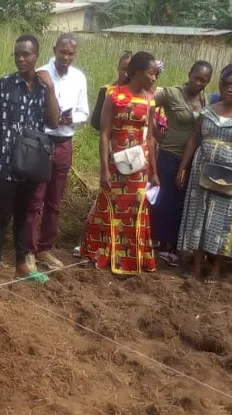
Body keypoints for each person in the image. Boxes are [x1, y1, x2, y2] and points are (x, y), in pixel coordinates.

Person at [0, 34, 60, 287]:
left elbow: (54, 122)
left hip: (32, 165)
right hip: (6, 164)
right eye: (17, 54)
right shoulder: (4, 84)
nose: (20, 59)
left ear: (37, 56)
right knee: (3, 215)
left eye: (26, 54)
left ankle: (21, 265)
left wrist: (51, 89)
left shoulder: (43, 86)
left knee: (25, 215)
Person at [175, 67, 232, 283]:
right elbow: (195, 139)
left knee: (224, 221)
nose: (229, 88)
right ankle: (195, 266)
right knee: (199, 217)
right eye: (225, 84)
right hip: (202, 172)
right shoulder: (209, 111)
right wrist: (182, 167)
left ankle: (215, 268)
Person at [80, 51, 159, 275]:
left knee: (135, 211)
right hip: (116, 162)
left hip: (139, 166)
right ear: (137, 72)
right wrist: (104, 169)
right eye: (151, 73)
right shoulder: (114, 96)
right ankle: (102, 253)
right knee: (109, 208)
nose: (154, 78)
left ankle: (132, 259)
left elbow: (151, 137)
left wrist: (153, 171)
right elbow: (105, 134)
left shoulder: (149, 99)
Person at [26, 33, 89, 271]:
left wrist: (72, 118)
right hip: (42, 141)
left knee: (55, 200)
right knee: (35, 198)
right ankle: (29, 251)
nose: (66, 57)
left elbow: (85, 112)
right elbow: (31, 110)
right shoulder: (41, 74)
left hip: (64, 142)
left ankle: (45, 249)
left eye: (70, 53)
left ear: (75, 54)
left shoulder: (79, 78)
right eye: (62, 52)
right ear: (54, 50)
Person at [150, 60, 214, 266]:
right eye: (196, 78)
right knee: (164, 200)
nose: (199, 83)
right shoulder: (171, 93)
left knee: (181, 203)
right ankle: (155, 243)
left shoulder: (205, 99)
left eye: (204, 80)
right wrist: (155, 134)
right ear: (189, 74)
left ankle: (172, 246)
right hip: (169, 154)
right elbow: (147, 104)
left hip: (193, 159)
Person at [90, 51, 131, 131]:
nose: (126, 74)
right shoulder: (106, 91)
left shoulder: (141, 95)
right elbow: (95, 122)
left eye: (129, 71)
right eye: (123, 69)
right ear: (118, 68)